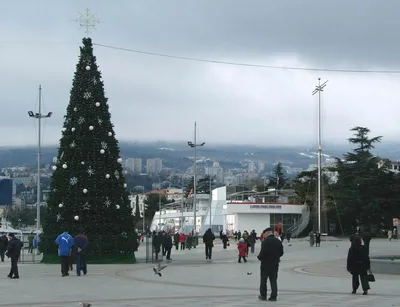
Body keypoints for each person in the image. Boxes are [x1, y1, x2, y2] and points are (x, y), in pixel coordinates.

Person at [257, 227, 284, 302]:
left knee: (263, 280)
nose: (263, 236)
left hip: (265, 264)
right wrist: (276, 257)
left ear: (267, 233)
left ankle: (263, 295)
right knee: (273, 281)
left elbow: (263, 253)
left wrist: (259, 257)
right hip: (275, 264)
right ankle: (273, 296)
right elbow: (281, 252)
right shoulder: (278, 241)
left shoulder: (265, 242)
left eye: (264, 234)